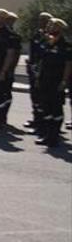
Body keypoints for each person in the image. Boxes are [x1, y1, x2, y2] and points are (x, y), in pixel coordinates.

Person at [34, 18, 71, 147]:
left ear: (59, 28)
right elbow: (42, 62)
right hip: (45, 79)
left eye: (52, 25)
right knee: (46, 107)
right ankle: (47, 134)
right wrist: (38, 78)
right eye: (49, 25)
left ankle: (54, 136)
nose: (49, 27)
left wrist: (64, 81)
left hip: (56, 81)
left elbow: (68, 64)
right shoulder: (47, 42)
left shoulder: (65, 44)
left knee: (56, 108)